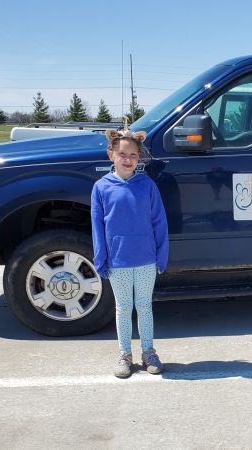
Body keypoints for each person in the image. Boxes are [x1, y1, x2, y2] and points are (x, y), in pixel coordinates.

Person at [91, 128, 169, 378]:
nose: (127, 159)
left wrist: (161, 255)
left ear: (139, 157)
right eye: (122, 154)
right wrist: (101, 257)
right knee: (123, 308)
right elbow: (97, 226)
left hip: (145, 259)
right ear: (111, 154)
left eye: (133, 155)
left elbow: (159, 222)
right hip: (118, 261)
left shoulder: (147, 185)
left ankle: (149, 352)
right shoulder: (101, 187)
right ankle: (125, 354)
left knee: (144, 307)